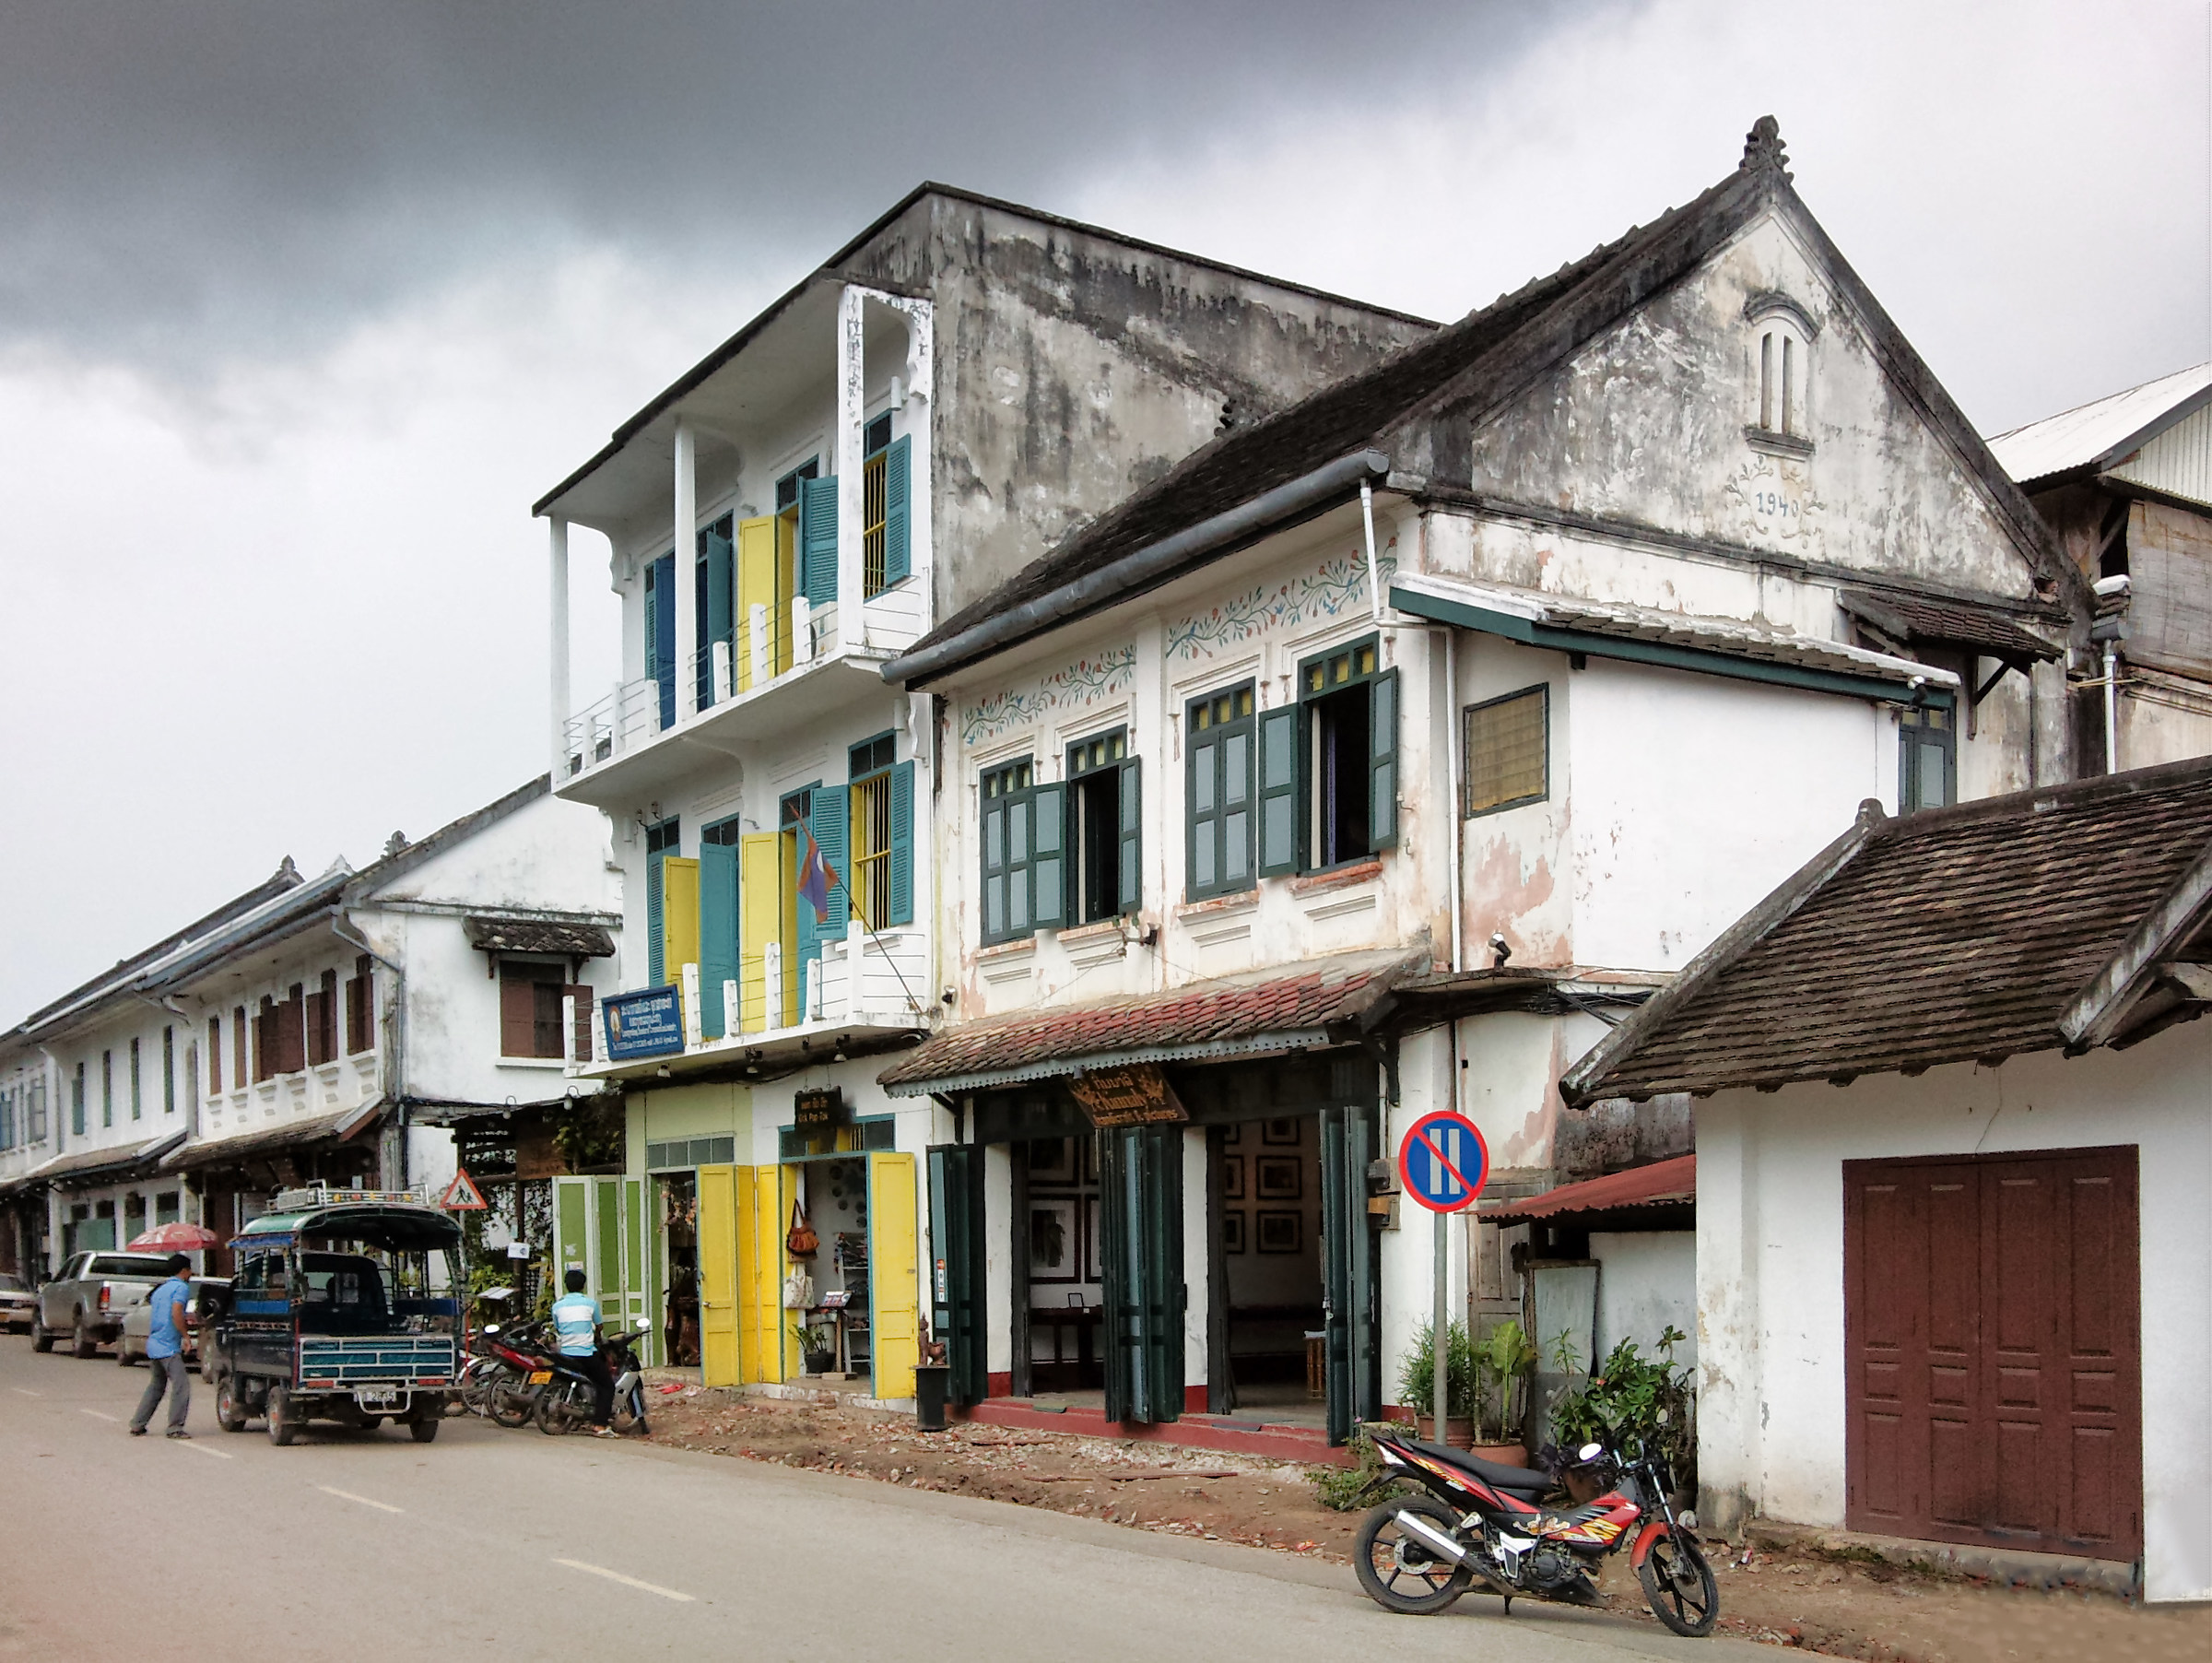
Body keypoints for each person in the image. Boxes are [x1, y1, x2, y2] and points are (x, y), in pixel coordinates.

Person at [129, 1254, 194, 1439]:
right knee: (182, 1385)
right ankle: (175, 1427)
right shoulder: (181, 1288)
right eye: (189, 1270)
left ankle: (138, 1423)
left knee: (157, 1385)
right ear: (184, 1271)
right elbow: (176, 1312)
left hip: (155, 1343)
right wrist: (185, 1335)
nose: (191, 1274)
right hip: (168, 1345)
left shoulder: (160, 1290)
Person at [550, 1267, 616, 1436]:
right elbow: (599, 1326)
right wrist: (597, 1335)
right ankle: (600, 1424)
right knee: (607, 1385)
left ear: (566, 1285)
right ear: (583, 1286)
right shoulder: (590, 1304)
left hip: (565, 1353)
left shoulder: (557, 1306)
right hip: (586, 1353)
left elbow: (558, 1327)